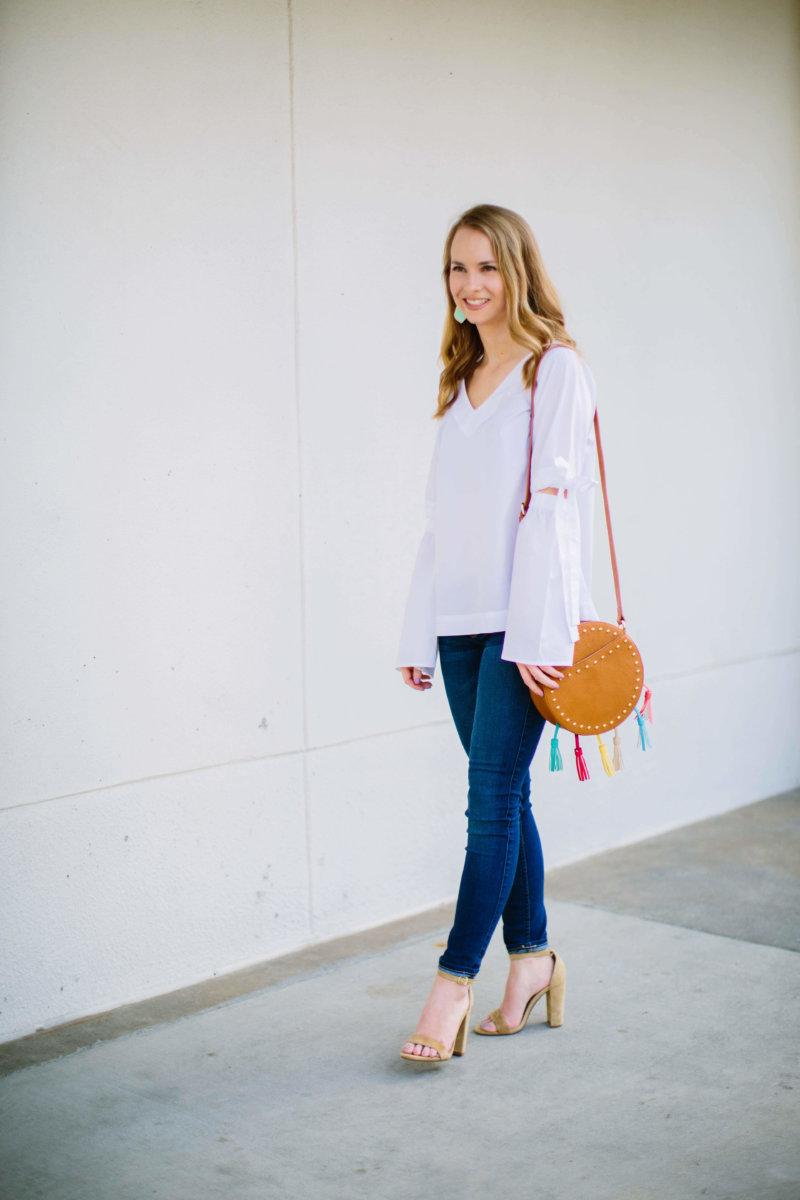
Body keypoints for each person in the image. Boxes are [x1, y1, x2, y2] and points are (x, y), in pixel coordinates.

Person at [396, 204, 599, 1063]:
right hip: (456, 626)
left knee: (489, 809)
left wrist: (541, 638)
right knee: (507, 799)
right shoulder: (460, 378)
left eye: (486, 267)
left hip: (523, 631)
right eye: (456, 269)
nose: (470, 285)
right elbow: (440, 525)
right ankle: (535, 959)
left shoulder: (553, 370)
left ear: (517, 271)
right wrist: (418, 632)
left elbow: (553, 510)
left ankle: (451, 983)